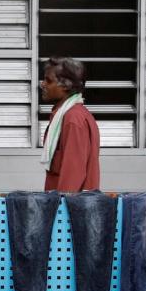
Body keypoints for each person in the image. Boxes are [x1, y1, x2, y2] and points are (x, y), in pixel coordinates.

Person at [39, 56, 100, 192]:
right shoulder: (67, 115)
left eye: (48, 80)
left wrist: (60, 210)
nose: (42, 84)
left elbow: (73, 176)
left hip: (68, 209)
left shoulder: (73, 119)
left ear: (66, 85)